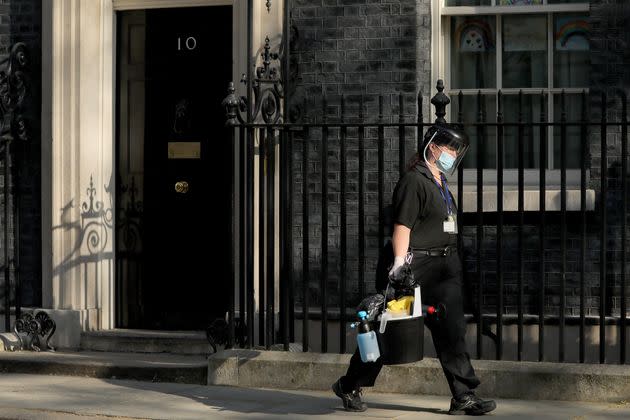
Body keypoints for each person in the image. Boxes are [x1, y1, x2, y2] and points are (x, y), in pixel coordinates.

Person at [332, 124, 497, 415]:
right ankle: (349, 384)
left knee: (452, 331)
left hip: (445, 268)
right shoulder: (414, 180)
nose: (454, 155)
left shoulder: (439, 181)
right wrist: (398, 265)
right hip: (414, 266)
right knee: (390, 332)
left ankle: (463, 395)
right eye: (450, 148)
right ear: (433, 148)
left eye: (457, 150)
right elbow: (403, 225)